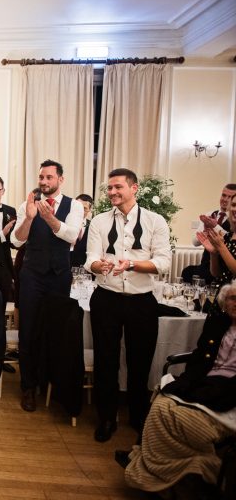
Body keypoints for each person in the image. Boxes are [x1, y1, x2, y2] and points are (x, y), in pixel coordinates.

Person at [119, 280, 236, 498]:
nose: (235, 304)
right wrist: (188, 383)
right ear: (224, 302)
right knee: (162, 401)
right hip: (203, 383)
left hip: (228, 397)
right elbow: (200, 357)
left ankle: (154, 467)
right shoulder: (217, 323)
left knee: (172, 415)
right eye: (232, 298)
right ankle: (187, 469)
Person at [85, 168, 172, 443]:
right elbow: (90, 259)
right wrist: (99, 265)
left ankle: (138, 416)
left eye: (118, 187)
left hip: (142, 302)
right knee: (106, 361)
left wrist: (132, 264)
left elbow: (163, 263)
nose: (112, 192)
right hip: (106, 298)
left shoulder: (155, 221)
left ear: (134, 189)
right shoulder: (98, 221)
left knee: (140, 361)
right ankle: (106, 418)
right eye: (109, 188)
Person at [10, 160, 84, 412]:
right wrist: (30, 218)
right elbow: (17, 241)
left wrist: (50, 219)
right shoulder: (26, 204)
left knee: (55, 331)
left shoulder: (74, 205)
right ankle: (28, 387)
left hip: (59, 276)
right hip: (31, 275)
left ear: (60, 180)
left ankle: (52, 384)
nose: (43, 182)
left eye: (49, 177)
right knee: (28, 331)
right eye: (41, 177)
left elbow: (72, 236)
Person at [185, 184, 236, 283]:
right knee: (187, 272)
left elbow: (227, 238)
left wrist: (214, 226)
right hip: (208, 262)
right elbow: (195, 242)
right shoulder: (210, 214)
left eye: (229, 197)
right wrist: (205, 232)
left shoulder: (232, 219)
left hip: (225, 264)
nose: (225, 199)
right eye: (223, 195)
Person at [198, 194, 236, 297]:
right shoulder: (228, 236)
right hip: (221, 297)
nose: (235, 209)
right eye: (233, 205)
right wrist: (213, 254)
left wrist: (221, 247)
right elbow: (216, 274)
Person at [70, 193, 93, 268]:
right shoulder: (64, 223)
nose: (80, 211)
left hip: (85, 270)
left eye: (84, 208)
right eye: (78, 207)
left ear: (89, 209)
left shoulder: (93, 226)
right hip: (64, 268)